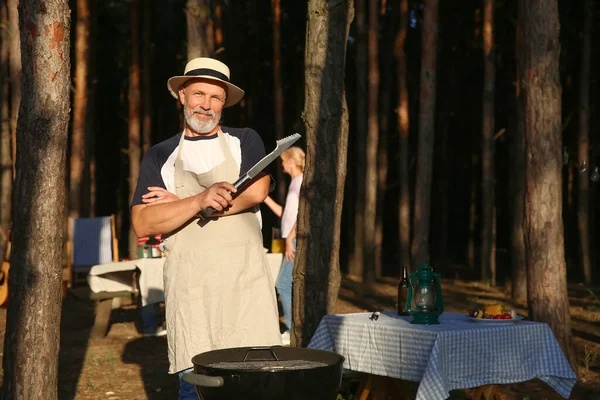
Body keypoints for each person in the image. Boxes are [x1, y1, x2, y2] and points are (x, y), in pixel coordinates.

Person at [130, 57, 282, 400]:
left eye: (216, 98)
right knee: (196, 387)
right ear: (182, 95)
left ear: (224, 103)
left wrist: (176, 205)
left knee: (254, 386)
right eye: (199, 94)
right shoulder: (160, 156)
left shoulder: (244, 140)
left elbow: (256, 191)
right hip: (192, 291)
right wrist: (199, 201)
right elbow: (144, 221)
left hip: (245, 288)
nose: (206, 105)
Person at [262, 147, 305, 346]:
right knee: (288, 283)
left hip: (294, 241)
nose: (281, 164)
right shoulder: (295, 183)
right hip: (291, 239)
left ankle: (291, 329)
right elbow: (285, 213)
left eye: (283, 160)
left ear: (291, 161)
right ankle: (294, 326)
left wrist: (290, 239)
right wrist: (265, 198)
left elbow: (301, 215)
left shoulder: (300, 182)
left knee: (283, 283)